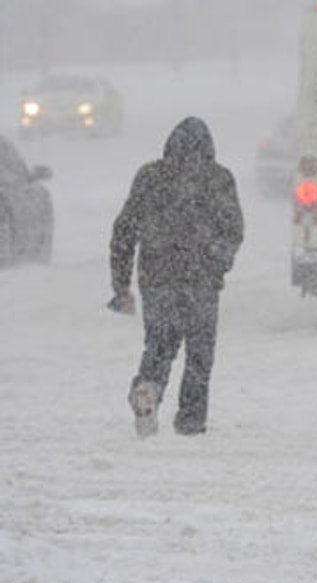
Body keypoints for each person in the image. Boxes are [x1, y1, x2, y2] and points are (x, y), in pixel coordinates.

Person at [108, 116, 244, 437]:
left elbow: (124, 231)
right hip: (200, 279)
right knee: (199, 353)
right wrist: (216, 263)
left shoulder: (150, 176)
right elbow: (234, 230)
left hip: (157, 276)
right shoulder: (218, 178)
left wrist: (121, 284)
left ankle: (148, 388)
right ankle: (190, 421)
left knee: (159, 344)